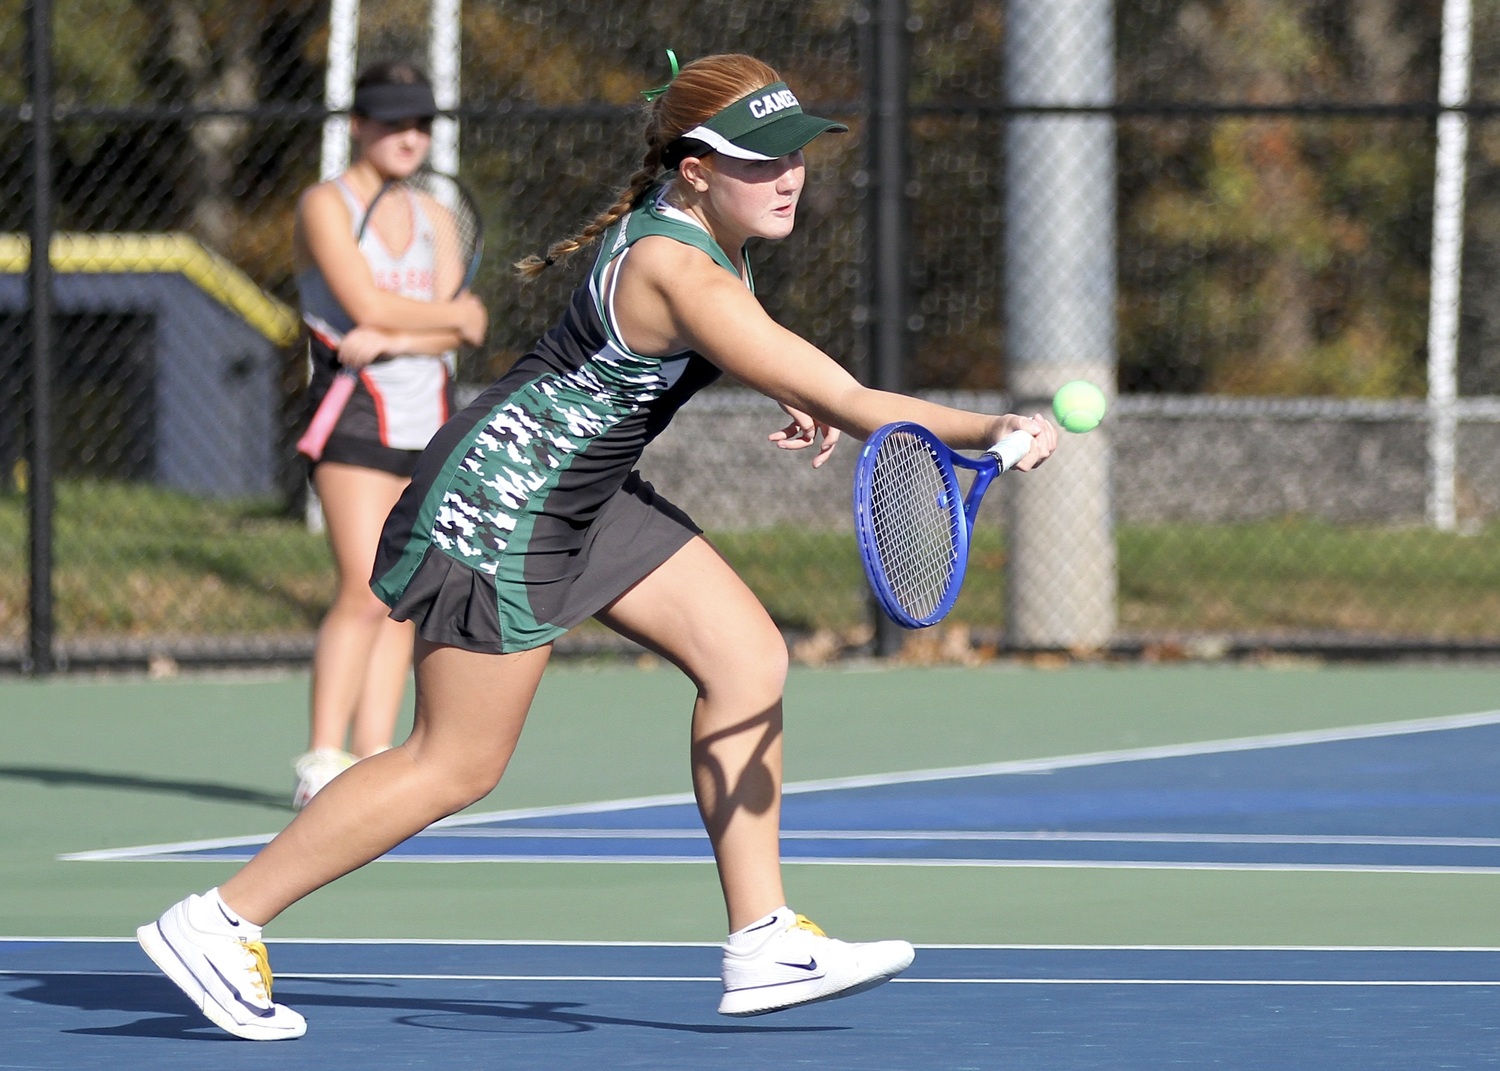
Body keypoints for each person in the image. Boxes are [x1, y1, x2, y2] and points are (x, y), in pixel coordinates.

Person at [136, 52, 1057, 1040]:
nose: (788, 176)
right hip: (506, 503)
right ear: (695, 168)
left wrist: (786, 383)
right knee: (455, 763)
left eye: (796, 155)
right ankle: (220, 921)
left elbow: (729, 348)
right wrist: (994, 427)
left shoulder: (706, 230)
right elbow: (849, 394)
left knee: (747, 657)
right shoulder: (677, 263)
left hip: (587, 493)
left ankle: (764, 940)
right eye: (761, 160)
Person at [289, 61, 488, 808]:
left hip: (429, 418)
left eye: (421, 123)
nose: (410, 136)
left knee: (400, 591)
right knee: (359, 586)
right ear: (357, 126)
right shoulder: (324, 204)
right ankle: (322, 755)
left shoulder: (437, 216)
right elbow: (359, 299)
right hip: (354, 417)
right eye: (393, 121)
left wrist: (394, 333)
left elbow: (471, 322)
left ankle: (373, 754)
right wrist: (420, 323)